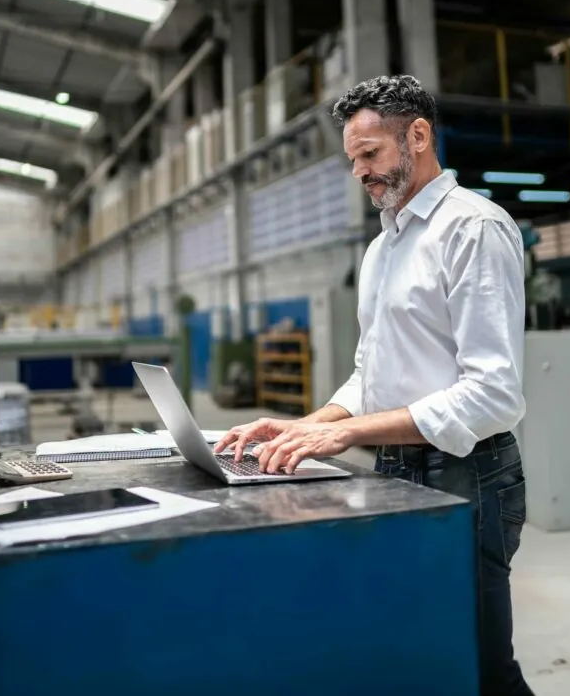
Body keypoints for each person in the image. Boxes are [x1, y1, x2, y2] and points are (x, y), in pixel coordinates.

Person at [215, 75, 533, 696]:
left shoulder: (473, 229)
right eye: (352, 160)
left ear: (417, 136)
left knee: (480, 665)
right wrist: (308, 425)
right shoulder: (384, 247)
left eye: (370, 154)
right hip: (398, 468)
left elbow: (494, 393)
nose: (359, 172)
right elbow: (372, 373)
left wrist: (348, 435)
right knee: (421, 652)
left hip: (467, 475)